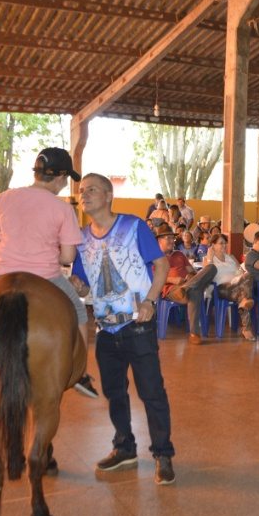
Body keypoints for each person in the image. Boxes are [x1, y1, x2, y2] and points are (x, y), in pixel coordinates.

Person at [0, 147, 97, 402]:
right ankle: (80, 373)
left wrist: (15, 244)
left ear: (37, 173)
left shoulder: (5, 197)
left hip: (0, 271)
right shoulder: (63, 209)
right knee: (79, 313)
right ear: (60, 178)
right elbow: (68, 257)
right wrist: (45, 253)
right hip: (46, 275)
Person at [69, 173, 175, 482]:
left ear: (108, 195)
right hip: (106, 331)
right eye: (80, 190)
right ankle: (125, 447)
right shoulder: (81, 238)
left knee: (152, 391)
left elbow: (162, 265)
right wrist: (77, 285)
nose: (83, 194)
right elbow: (86, 290)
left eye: (91, 189)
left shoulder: (133, 226)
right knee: (114, 393)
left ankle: (163, 454)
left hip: (137, 325)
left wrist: (151, 302)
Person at [154, 223, 216, 344]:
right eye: (168, 238)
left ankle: (188, 287)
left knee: (211, 268)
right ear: (159, 240)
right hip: (171, 290)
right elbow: (154, 278)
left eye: (173, 238)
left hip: (186, 286)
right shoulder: (156, 257)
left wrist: (190, 277)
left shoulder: (179, 254)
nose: (172, 240)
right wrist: (173, 280)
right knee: (196, 290)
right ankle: (194, 333)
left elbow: (193, 273)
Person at [206, 233, 256, 341]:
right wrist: (210, 258)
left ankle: (243, 304)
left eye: (225, 243)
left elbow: (240, 272)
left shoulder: (231, 257)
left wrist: (238, 277)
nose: (224, 246)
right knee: (244, 294)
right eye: (221, 243)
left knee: (247, 278)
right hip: (220, 288)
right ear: (213, 245)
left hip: (236, 287)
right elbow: (206, 275)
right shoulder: (209, 259)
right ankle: (246, 328)